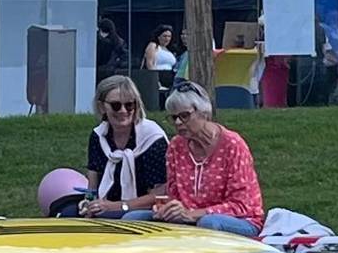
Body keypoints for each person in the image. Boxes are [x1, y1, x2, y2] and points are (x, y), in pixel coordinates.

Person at [150, 86, 264, 237]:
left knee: (208, 223)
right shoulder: (176, 145)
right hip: (189, 217)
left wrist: (193, 214)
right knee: (133, 219)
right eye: (173, 117)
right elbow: (174, 194)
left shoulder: (233, 144)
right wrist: (168, 209)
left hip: (240, 219)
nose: (178, 122)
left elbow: (242, 205)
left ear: (203, 113)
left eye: (184, 116)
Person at [66, 75, 169, 218]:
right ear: (102, 107)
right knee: (67, 213)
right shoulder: (98, 136)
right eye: (116, 105)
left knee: (127, 218)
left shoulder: (152, 138)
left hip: (145, 208)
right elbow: (93, 181)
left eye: (129, 105)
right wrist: (88, 203)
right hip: (106, 204)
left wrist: (118, 206)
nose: (123, 111)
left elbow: (160, 194)